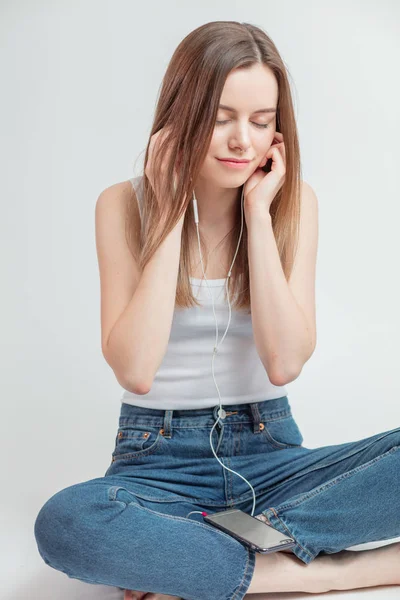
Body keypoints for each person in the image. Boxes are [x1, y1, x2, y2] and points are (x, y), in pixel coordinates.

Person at [34, 21, 400, 600]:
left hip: (271, 454)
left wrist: (259, 216)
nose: (242, 142)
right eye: (222, 117)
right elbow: (134, 370)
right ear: (181, 114)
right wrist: (173, 211)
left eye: (261, 122)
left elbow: (283, 363)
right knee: (67, 523)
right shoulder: (121, 206)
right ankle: (329, 570)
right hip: (156, 464)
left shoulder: (293, 203)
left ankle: (193, 559)